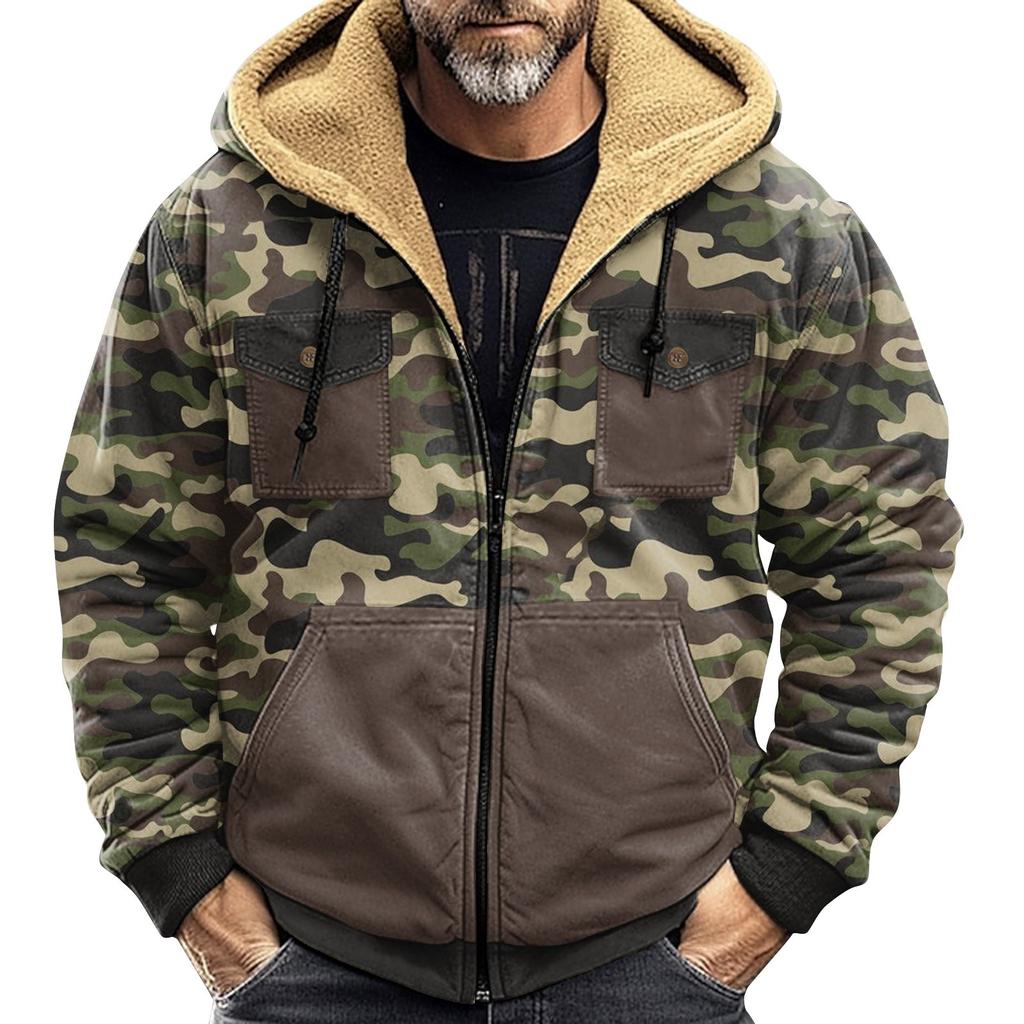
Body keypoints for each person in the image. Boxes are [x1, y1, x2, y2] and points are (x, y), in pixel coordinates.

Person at [52, 0, 964, 1020]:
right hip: (311, 951)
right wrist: (180, 870)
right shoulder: (224, 226)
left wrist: (787, 871)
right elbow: (125, 552)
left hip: (652, 950)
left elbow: (881, 554)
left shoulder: (779, 231)